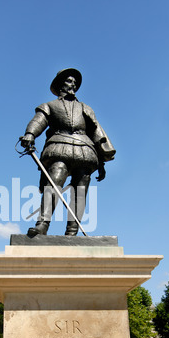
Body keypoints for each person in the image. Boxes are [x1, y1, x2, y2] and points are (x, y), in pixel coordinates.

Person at [20, 68, 116, 236]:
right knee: (54, 182)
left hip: (84, 151)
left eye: (75, 82)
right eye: (69, 81)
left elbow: (96, 133)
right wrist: (30, 134)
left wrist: (101, 161)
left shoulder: (85, 108)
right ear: (60, 85)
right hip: (59, 147)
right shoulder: (49, 106)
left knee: (80, 191)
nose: (73, 84)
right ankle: (42, 224)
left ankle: (72, 231)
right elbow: (39, 121)